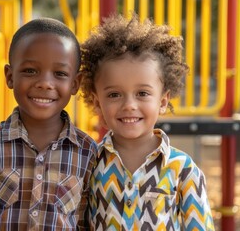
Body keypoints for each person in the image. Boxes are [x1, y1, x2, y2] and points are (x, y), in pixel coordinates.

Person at [79, 13, 215, 230]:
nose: (129, 105)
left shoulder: (183, 168)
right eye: (114, 94)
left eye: (142, 93)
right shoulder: (89, 164)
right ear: (97, 102)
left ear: (162, 101)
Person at [0, 18, 97, 230]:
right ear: (10, 76)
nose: (44, 83)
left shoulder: (88, 152)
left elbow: (84, 222)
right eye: (31, 71)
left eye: (60, 74)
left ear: (75, 83)